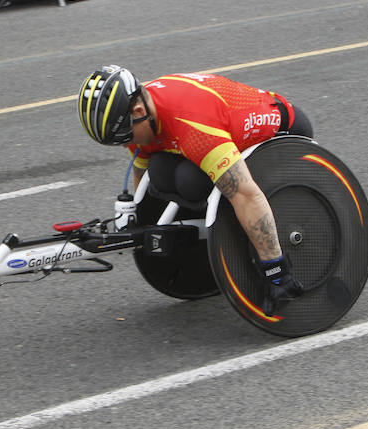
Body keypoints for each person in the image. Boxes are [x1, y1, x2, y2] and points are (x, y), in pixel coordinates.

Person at [77, 65, 314, 315]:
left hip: (286, 127)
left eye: (127, 137)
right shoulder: (144, 109)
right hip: (206, 128)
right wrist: (139, 223)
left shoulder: (194, 126)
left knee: (192, 181)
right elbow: (142, 171)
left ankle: (277, 269)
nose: (129, 144)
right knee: (161, 173)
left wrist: (276, 272)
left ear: (138, 111)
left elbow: (245, 194)